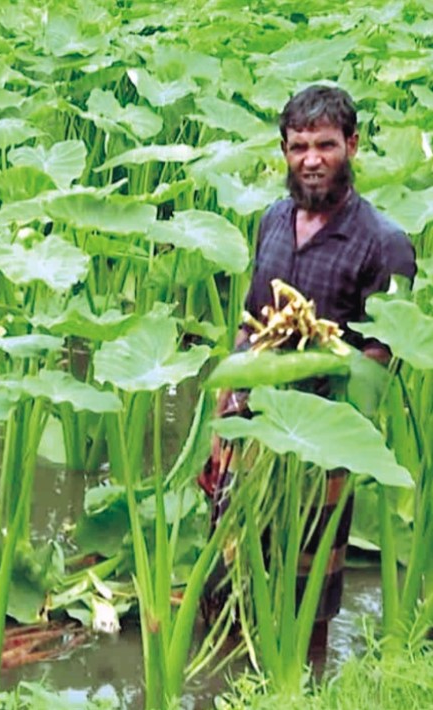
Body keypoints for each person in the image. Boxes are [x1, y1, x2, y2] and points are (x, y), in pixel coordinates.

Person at [202, 84, 417, 656]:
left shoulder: (385, 244)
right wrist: (225, 411)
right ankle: (224, 683)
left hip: (320, 441)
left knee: (307, 591)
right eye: (299, 147)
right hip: (253, 427)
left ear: (352, 145)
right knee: (226, 573)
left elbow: (380, 359)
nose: (312, 159)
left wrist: (338, 440)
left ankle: (302, 689)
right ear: (285, 151)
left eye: (325, 145)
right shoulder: (273, 219)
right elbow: (253, 321)